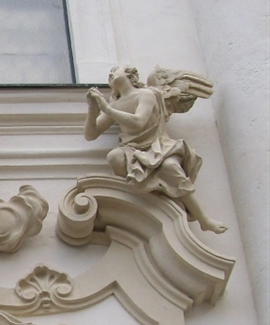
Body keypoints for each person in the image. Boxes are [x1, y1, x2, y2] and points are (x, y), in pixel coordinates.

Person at [84, 65, 226, 233]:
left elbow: (138, 121)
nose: (111, 75)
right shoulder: (117, 104)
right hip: (133, 149)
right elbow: (91, 134)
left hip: (159, 146)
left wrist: (107, 109)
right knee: (114, 157)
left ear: (130, 75)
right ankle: (149, 199)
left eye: (115, 71)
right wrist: (93, 109)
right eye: (109, 75)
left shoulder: (147, 94)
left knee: (170, 167)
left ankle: (203, 220)